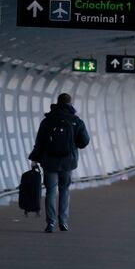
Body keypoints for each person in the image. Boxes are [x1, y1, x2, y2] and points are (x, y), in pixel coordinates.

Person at [29, 93, 90, 232]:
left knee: (50, 191)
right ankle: (63, 221)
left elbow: (39, 142)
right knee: (64, 190)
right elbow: (84, 142)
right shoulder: (76, 121)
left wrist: (34, 159)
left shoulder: (47, 121)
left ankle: (50, 223)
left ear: (57, 102)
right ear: (70, 103)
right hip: (68, 162)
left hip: (49, 161)